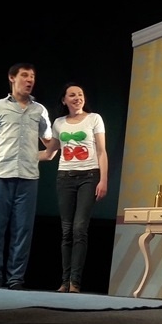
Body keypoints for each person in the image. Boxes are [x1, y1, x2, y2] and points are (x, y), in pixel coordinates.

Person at [0, 62, 53, 290]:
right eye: (25, 75)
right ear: (12, 78)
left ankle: (15, 278)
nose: (30, 80)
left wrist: (66, 137)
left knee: (23, 230)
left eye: (33, 76)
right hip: (0, 174)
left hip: (28, 178)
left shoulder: (39, 110)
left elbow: (49, 142)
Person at [40, 82, 107, 293]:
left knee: (79, 229)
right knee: (67, 230)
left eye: (80, 94)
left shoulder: (94, 118)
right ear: (64, 100)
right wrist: (21, 155)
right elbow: (49, 152)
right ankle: (64, 281)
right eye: (72, 95)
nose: (77, 98)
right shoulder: (59, 123)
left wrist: (103, 180)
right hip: (65, 178)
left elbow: (102, 151)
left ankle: (75, 282)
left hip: (89, 176)